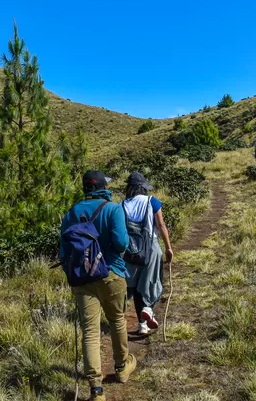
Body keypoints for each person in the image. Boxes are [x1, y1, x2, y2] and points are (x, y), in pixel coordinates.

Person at [60, 170, 138, 401]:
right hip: (111, 273)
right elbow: (122, 242)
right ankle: (122, 367)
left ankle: (96, 389)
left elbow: (64, 252)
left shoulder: (71, 213)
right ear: (103, 186)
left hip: (82, 279)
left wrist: (74, 276)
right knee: (117, 320)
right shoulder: (112, 209)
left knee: (90, 332)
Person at [122, 172, 173, 335]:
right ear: (142, 187)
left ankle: (142, 325)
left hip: (131, 250)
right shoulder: (152, 201)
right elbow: (161, 225)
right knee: (153, 281)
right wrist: (168, 247)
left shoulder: (122, 205)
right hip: (151, 248)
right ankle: (148, 309)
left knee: (136, 287)